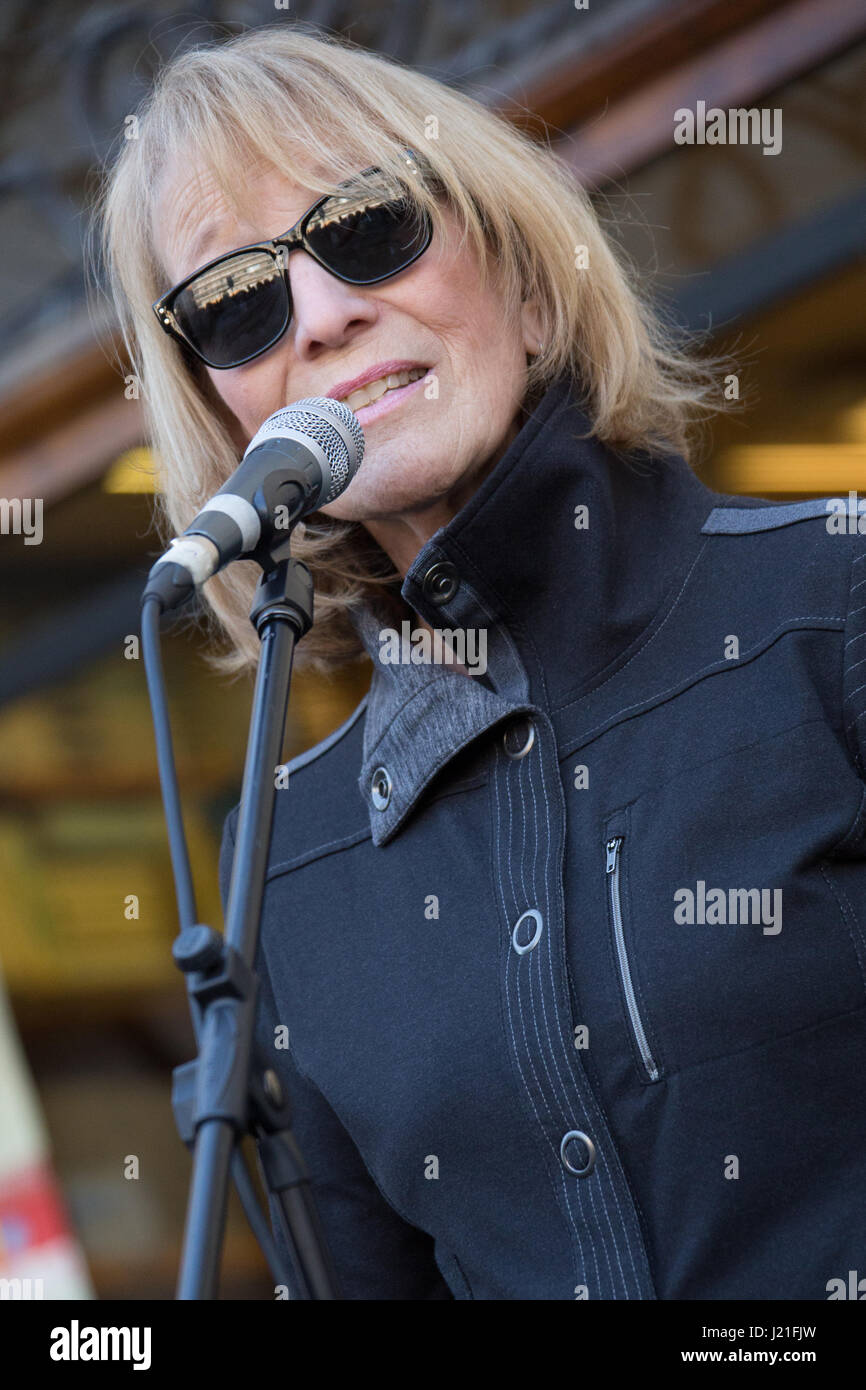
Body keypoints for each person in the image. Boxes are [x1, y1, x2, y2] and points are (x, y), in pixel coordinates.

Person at [96, 24, 866, 1300]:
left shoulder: (830, 601)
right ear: (219, 404)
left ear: (525, 280)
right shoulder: (285, 863)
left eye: (367, 224)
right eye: (235, 297)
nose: (326, 313)